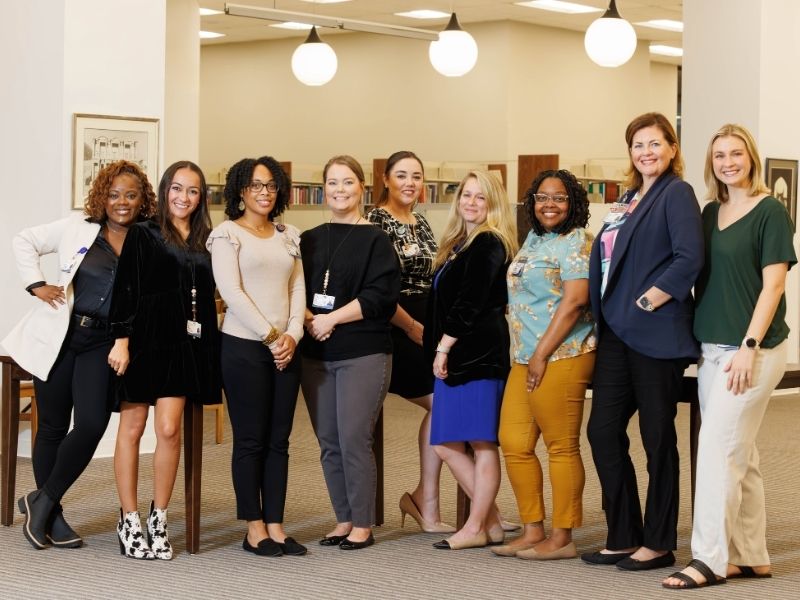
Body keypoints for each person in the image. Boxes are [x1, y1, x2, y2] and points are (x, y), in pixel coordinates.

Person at [663, 124, 796, 589]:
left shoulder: (770, 212)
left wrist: (749, 346)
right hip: (712, 350)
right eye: (719, 155)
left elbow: (774, 285)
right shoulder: (707, 213)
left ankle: (708, 559)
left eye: (736, 153)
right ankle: (749, 554)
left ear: (751, 158)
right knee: (743, 452)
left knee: (717, 451)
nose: (728, 162)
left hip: (753, 352)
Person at [6, 161, 155, 551]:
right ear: (102, 196)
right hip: (62, 333)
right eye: (114, 194)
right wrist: (36, 284)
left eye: (131, 194)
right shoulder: (78, 227)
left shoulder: (149, 239)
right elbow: (24, 239)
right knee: (52, 425)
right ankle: (51, 516)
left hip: (104, 342)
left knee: (90, 423)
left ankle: (42, 500)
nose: (122, 202)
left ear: (143, 200)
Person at [583, 112, 704, 571]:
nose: (646, 152)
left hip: (655, 333)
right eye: (638, 145)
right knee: (602, 431)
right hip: (615, 333)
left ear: (672, 148)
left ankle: (659, 541)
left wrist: (648, 301)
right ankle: (623, 533)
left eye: (655, 143)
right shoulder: (629, 198)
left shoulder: (677, 193)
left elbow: (689, 257)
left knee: (657, 438)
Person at [108, 160, 221, 560]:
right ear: (165, 190)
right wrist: (121, 340)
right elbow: (126, 288)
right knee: (133, 427)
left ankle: (159, 517)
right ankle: (129, 518)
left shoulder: (209, 238)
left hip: (182, 345)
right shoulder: (144, 233)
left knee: (170, 429)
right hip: (142, 340)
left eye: (192, 190)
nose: (183, 198)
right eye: (177, 188)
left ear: (201, 196)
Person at [493, 169, 596, 561]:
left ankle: (563, 535)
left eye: (558, 198)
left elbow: (573, 303)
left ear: (573, 204)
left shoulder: (577, 243)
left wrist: (541, 355)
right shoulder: (534, 239)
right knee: (514, 442)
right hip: (524, 357)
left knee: (560, 445)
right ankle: (533, 528)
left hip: (563, 355)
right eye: (541, 198)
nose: (548, 205)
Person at [208, 156, 307, 558]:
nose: (263, 192)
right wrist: (271, 336)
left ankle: (276, 526)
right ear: (240, 192)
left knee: (279, 440)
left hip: (287, 347)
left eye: (270, 185)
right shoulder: (227, 234)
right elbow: (231, 293)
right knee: (250, 440)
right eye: (254, 185)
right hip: (244, 348)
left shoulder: (289, 234)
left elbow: (298, 289)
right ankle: (253, 528)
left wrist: (293, 335)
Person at [299, 155, 400, 550]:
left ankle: (363, 522)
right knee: (328, 439)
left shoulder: (376, 239)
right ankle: (342, 518)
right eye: (332, 183)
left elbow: (381, 297)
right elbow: (295, 288)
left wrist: (331, 319)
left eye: (347, 182)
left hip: (363, 352)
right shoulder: (308, 238)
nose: (339, 190)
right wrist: (310, 318)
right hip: (315, 353)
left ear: (362, 188)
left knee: (354, 437)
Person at [425, 170, 517, 550]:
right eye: (466, 195)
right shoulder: (463, 241)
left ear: (493, 204)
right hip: (462, 351)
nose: (472, 202)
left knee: (478, 443)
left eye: (481, 197)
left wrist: (444, 347)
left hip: (475, 353)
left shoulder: (489, 243)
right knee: (447, 442)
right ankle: (489, 521)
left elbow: (469, 304)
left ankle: (478, 524)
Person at [366, 151, 453, 534]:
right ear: (385, 179)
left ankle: (425, 499)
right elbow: (378, 291)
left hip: (428, 326)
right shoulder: (375, 222)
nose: (410, 183)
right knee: (443, 404)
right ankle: (424, 501)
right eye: (401, 175)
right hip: (396, 328)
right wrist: (413, 327)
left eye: (417, 176)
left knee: (454, 400)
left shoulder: (421, 221)